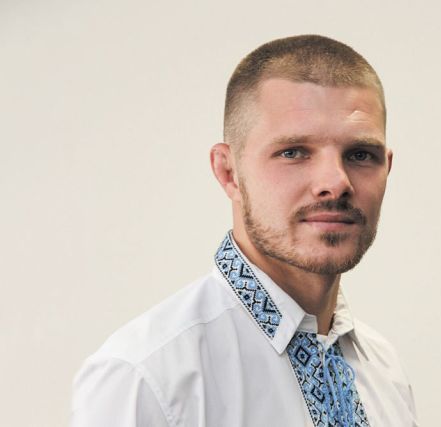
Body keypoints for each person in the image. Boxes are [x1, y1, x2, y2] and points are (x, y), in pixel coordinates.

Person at [71, 35, 419, 427]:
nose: (336, 182)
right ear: (228, 172)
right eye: (293, 152)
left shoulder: (384, 370)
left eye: (360, 155)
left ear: (387, 168)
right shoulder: (147, 378)